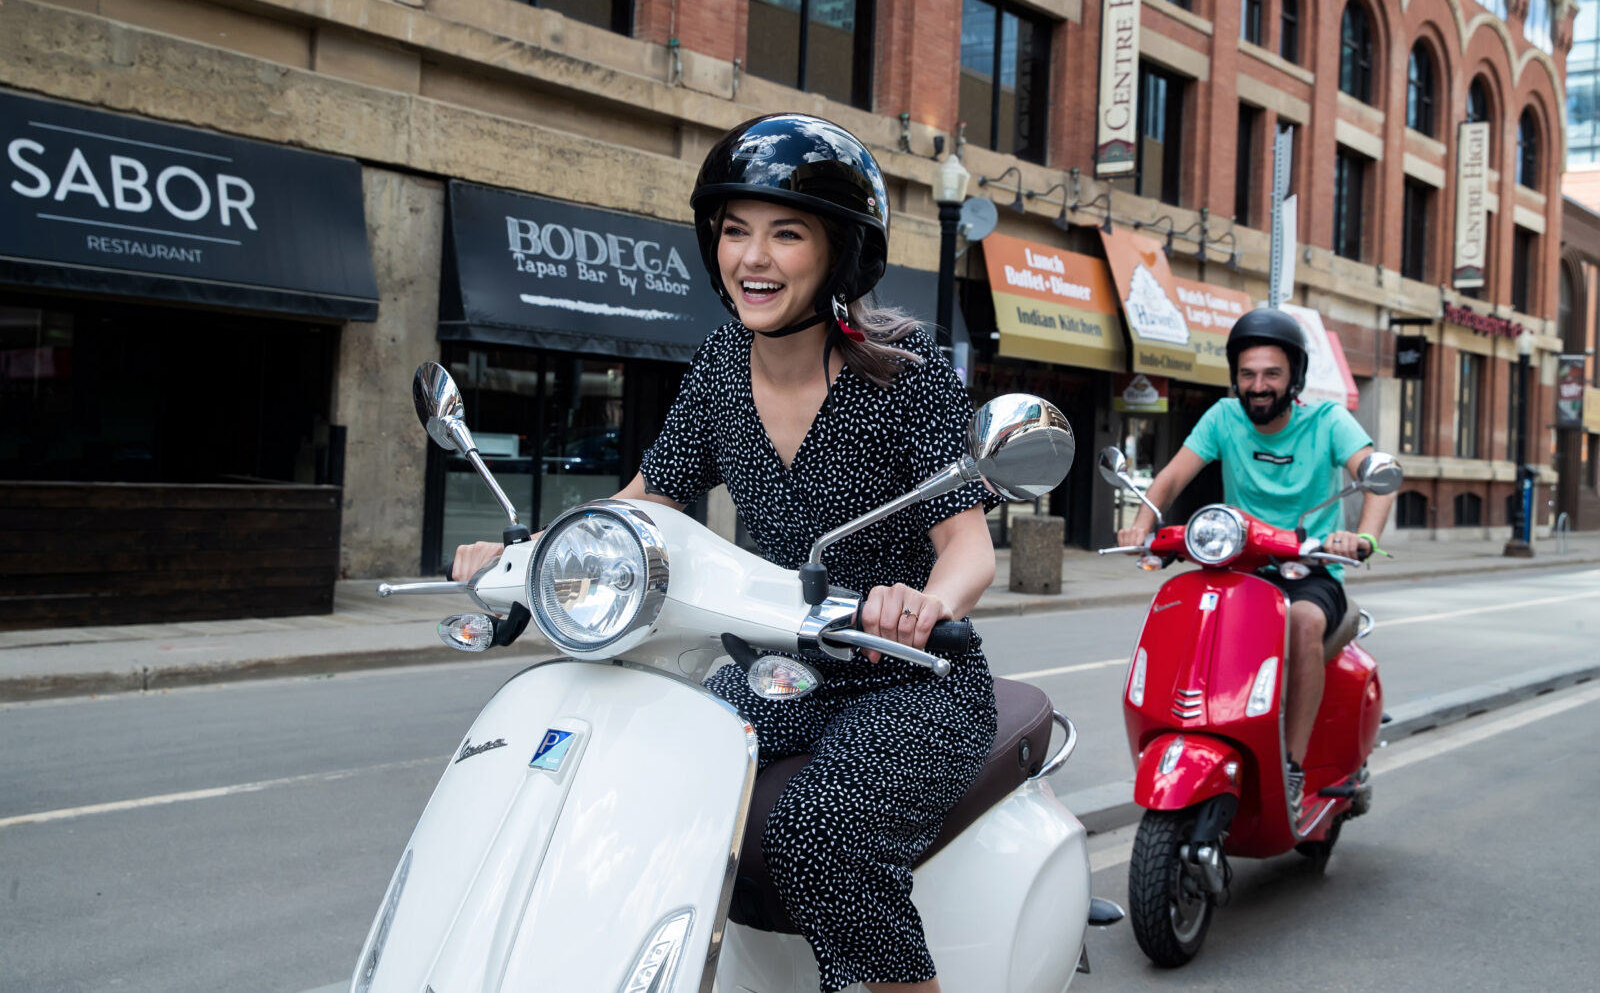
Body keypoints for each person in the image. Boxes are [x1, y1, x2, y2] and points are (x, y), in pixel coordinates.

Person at [451, 113, 998, 993]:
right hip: (778, 666)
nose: (754, 257)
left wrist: (927, 602)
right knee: (645, 777)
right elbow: (642, 501)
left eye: (786, 234)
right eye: (736, 231)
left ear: (838, 253)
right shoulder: (718, 365)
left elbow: (967, 543)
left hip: (910, 674)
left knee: (823, 831)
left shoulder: (905, 369)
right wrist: (528, 554)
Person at [1115, 307, 1393, 822]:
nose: (1258, 385)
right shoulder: (1223, 418)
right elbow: (1172, 479)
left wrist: (1362, 537)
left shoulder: (1327, 421)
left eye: (1271, 374)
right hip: (1240, 567)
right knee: (1191, 613)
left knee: (1304, 623)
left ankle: (1290, 765)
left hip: (1309, 570)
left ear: (1294, 378)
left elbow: (1375, 473)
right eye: (1247, 374)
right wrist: (1143, 523)